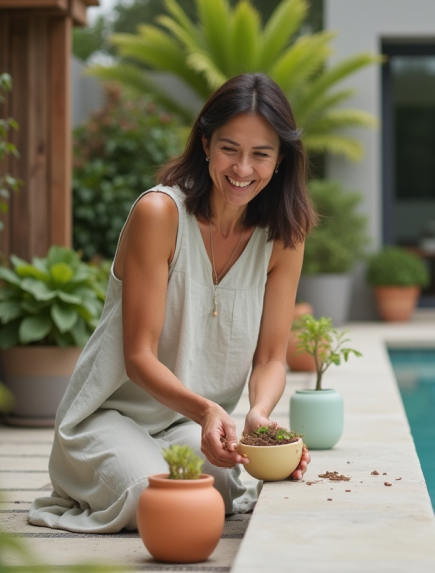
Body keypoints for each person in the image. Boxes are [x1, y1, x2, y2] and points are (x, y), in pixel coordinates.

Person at [28, 73, 316, 533]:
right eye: (229, 149)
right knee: (154, 495)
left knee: (220, 490)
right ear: (205, 144)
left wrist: (258, 416)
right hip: (107, 417)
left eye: (261, 154)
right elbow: (138, 356)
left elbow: (270, 359)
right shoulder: (160, 213)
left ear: (281, 158)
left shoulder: (284, 238)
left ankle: (148, 464)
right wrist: (207, 410)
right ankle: (91, 472)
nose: (243, 169)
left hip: (184, 425)